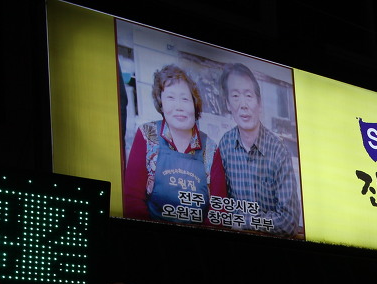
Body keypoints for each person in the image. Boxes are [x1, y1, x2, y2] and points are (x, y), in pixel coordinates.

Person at [123, 64, 226, 224]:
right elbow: (132, 199)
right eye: (170, 98)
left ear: (195, 104)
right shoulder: (146, 135)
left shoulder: (211, 149)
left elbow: (219, 210)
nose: (179, 107)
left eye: (185, 99)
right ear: (161, 103)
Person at [217, 62, 301, 236]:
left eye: (248, 95)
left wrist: (245, 221)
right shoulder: (225, 145)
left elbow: (289, 221)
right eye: (235, 96)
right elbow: (221, 207)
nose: (243, 105)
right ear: (228, 104)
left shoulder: (278, 150)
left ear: (259, 103)